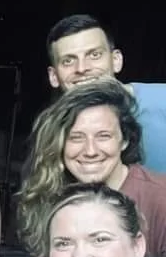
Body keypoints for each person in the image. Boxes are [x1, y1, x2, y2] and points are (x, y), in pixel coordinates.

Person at [17, 79, 166, 257]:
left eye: (103, 136)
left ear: (124, 140)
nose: (90, 151)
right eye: (75, 138)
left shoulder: (160, 197)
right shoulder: (49, 200)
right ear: (59, 145)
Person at [44, 13, 166, 173]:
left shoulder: (161, 101)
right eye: (68, 61)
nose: (82, 68)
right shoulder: (53, 132)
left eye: (94, 55)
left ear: (116, 61)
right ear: (53, 76)